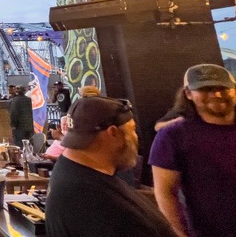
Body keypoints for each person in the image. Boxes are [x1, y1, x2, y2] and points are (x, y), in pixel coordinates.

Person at [45, 97, 175, 236]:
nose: (136, 137)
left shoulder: (69, 170)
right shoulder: (94, 200)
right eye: (132, 129)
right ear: (113, 133)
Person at [150, 64, 236, 237]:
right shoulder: (173, 136)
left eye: (222, 88)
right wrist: (180, 234)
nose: (216, 94)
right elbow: (165, 192)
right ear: (188, 94)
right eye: (206, 89)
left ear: (235, 91)